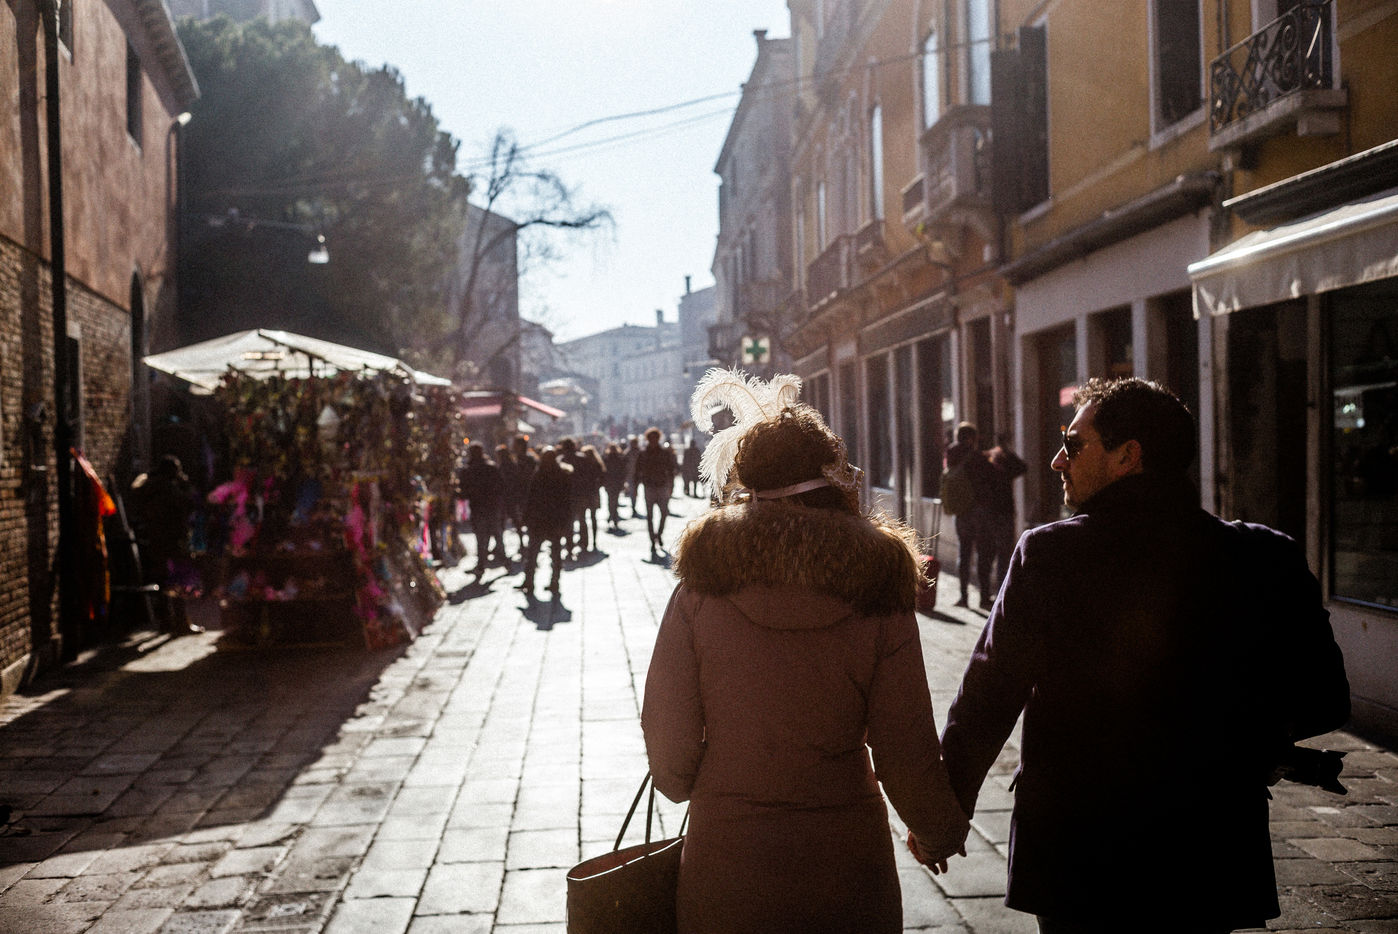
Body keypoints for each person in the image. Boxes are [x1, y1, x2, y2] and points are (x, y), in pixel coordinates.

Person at [934, 377, 1350, 932]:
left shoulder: (1050, 555)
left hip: (1080, 853)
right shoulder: (1266, 557)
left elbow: (988, 697)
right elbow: (1325, 697)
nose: (1058, 460)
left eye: (1073, 444)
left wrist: (942, 812)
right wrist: (1249, 744)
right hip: (1209, 847)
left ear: (1128, 456)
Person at [643, 391, 969, 934]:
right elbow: (904, 742)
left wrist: (693, 783)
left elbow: (668, 732)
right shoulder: (879, 583)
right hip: (846, 861)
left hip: (728, 855)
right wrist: (937, 830)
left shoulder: (700, 586)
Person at [128, 454, 202, 634]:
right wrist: (186, 485)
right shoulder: (169, 489)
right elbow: (189, 504)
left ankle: (165, 622)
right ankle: (181, 622)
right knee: (178, 581)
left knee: (162, 581)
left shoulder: (147, 487)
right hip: (173, 541)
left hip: (155, 540)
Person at [944, 422, 998, 608]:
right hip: (978, 510)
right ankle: (984, 597)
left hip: (961, 512)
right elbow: (990, 479)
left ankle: (963, 596)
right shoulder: (977, 457)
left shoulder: (951, 454)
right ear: (971, 438)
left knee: (964, 553)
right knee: (983, 553)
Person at [518, 446, 573, 599]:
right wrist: (566, 521)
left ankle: (530, 581)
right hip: (554, 520)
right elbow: (567, 501)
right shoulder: (562, 475)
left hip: (539, 520)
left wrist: (526, 518)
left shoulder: (539, 474)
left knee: (533, 553)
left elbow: (531, 499)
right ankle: (554, 581)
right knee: (555, 553)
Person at [456, 442, 506, 582]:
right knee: (496, 536)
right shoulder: (491, 467)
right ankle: (501, 562)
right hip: (492, 508)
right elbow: (501, 487)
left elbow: (464, 492)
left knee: (482, 539)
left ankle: (482, 565)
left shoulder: (469, 471)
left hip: (479, 508)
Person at [984, 433, 1027, 593]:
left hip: (989, 514)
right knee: (1003, 553)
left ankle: (986, 592)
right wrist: (1007, 451)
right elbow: (1023, 467)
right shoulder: (1004, 462)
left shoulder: (987, 461)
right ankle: (1001, 589)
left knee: (989, 553)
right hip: (1003, 513)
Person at [634, 426, 678, 553]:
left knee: (664, 513)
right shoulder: (643, 453)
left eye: (655, 438)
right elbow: (637, 472)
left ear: (658, 438)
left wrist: (671, 486)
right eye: (651, 438)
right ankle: (652, 540)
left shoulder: (664, 453)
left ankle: (659, 534)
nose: (653, 440)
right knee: (650, 516)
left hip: (662, 486)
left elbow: (671, 470)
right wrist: (636, 487)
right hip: (649, 487)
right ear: (648, 439)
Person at [499, 435, 536, 560]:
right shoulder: (516, 459)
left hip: (525, 495)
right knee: (519, 522)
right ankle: (525, 545)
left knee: (526, 522)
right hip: (517, 496)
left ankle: (530, 547)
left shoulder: (527, 459)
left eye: (515, 444)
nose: (513, 446)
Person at [578, 444, 606, 551]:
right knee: (592, 518)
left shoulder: (582, 465)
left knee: (583, 519)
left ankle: (585, 541)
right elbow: (602, 478)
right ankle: (593, 540)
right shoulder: (597, 464)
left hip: (584, 494)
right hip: (593, 494)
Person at [601, 442, 628, 530]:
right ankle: (613, 516)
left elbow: (622, 471)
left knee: (612, 500)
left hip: (613, 482)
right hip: (613, 482)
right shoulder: (613, 458)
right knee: (613, 500)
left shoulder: (609, 458)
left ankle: (613, 515)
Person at [623, 434, 642, 518]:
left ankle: (634, 506)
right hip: (630, 475)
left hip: (637, 476)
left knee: (635, 492)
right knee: (632, 492)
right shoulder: (627, 452)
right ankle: (633, 507)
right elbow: (623, 464)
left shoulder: (640, 452)